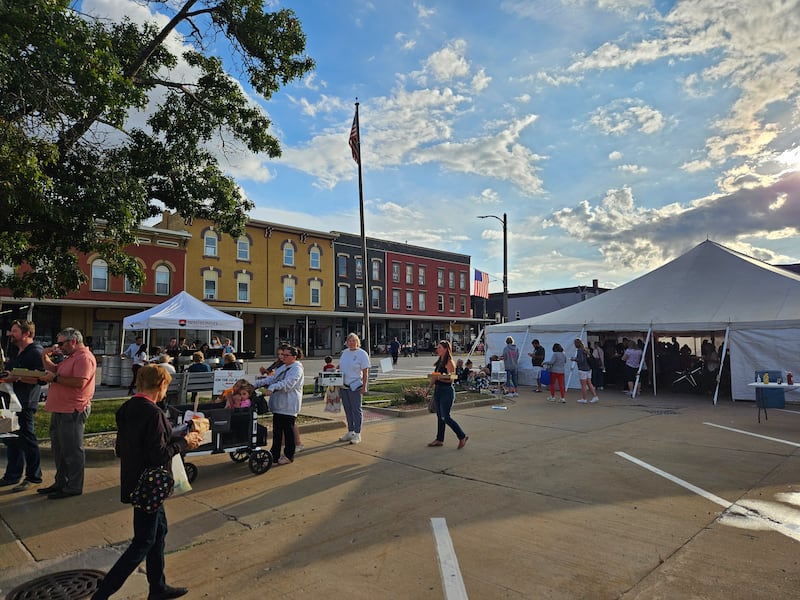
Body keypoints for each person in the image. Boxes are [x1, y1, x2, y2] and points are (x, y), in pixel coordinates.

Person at [90, 365, 201, 600]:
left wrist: (175, 435)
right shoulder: (154, 413)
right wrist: (185, 443)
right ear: (161, 386)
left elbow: (122, 447)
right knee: (143, 541)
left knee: (159, 532)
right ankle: (102, 593)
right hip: (150, 486)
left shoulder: (127, 408)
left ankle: (157, 587)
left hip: (135, 480)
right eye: (166, 387)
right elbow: (159, 455)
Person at [39, 327, 96, 499]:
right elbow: (56, 371)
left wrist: (54, 379)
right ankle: (61, 482)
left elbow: (79, 382)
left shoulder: (84, 358)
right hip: (61, 409)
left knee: (72, 451)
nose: (59, 347)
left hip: (72, 410)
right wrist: (44, 355)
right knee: (60, 450)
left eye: (62, 343)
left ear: (73, 341)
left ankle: (73, 486)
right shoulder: (72, 357)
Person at [0, 319, 45, 492]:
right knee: (10, 439)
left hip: (24, 404)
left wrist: (17, 377)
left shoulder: (35, 352)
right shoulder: (17, 351)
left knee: (27, 440)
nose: (11, 334)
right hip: (8, 403)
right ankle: (12, 475)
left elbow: (40, 378)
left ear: (27, 333)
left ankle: (34, 477)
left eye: (15, 331)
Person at [255, 345, 304, 465]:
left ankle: (288, 455)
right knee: (277, 432)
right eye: (282, 355)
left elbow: (288, 383)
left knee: (288, 432)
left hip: (288, 405)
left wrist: (273, 387)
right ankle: (275, 454)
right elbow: (271, 379)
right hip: (278, 405)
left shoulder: (296, 368)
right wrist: (255, 384)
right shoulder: (283, 367)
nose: (283, 357)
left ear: (294, 357)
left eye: (286, 355)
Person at [426, 340, 468, 449]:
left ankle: (462, 436)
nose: (437, 349)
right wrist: (428, 389)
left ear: (445, 349)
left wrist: (441, 377)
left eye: (439, 347)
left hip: (446, 391)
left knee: (445, 417)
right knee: (440, 417)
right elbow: (435, 376)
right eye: (437, 347)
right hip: (438, 390)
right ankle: (439, 439)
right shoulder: (440, 361)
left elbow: (453, 378)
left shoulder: (449, 362)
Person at [337, 333, 370, 445]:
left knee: (356, 409)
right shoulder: (344, 353)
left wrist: (364, 386)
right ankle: (350, 431)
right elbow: (340, 366)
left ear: (357, 342)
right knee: (347, 409)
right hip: (343, 385)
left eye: (354, 340)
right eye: (349, 340)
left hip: (355, 385)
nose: (351, 343)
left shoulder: (362, 354)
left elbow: (365, 372)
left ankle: (357, 433)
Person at [572, 339, 599, 404]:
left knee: (583, 384)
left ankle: (584, 398)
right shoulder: (585, 349)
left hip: (582, 369)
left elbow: (580, 360)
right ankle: (595, 396)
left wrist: (574, 359)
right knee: (589, 383)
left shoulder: (580, 350)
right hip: (588, 368)